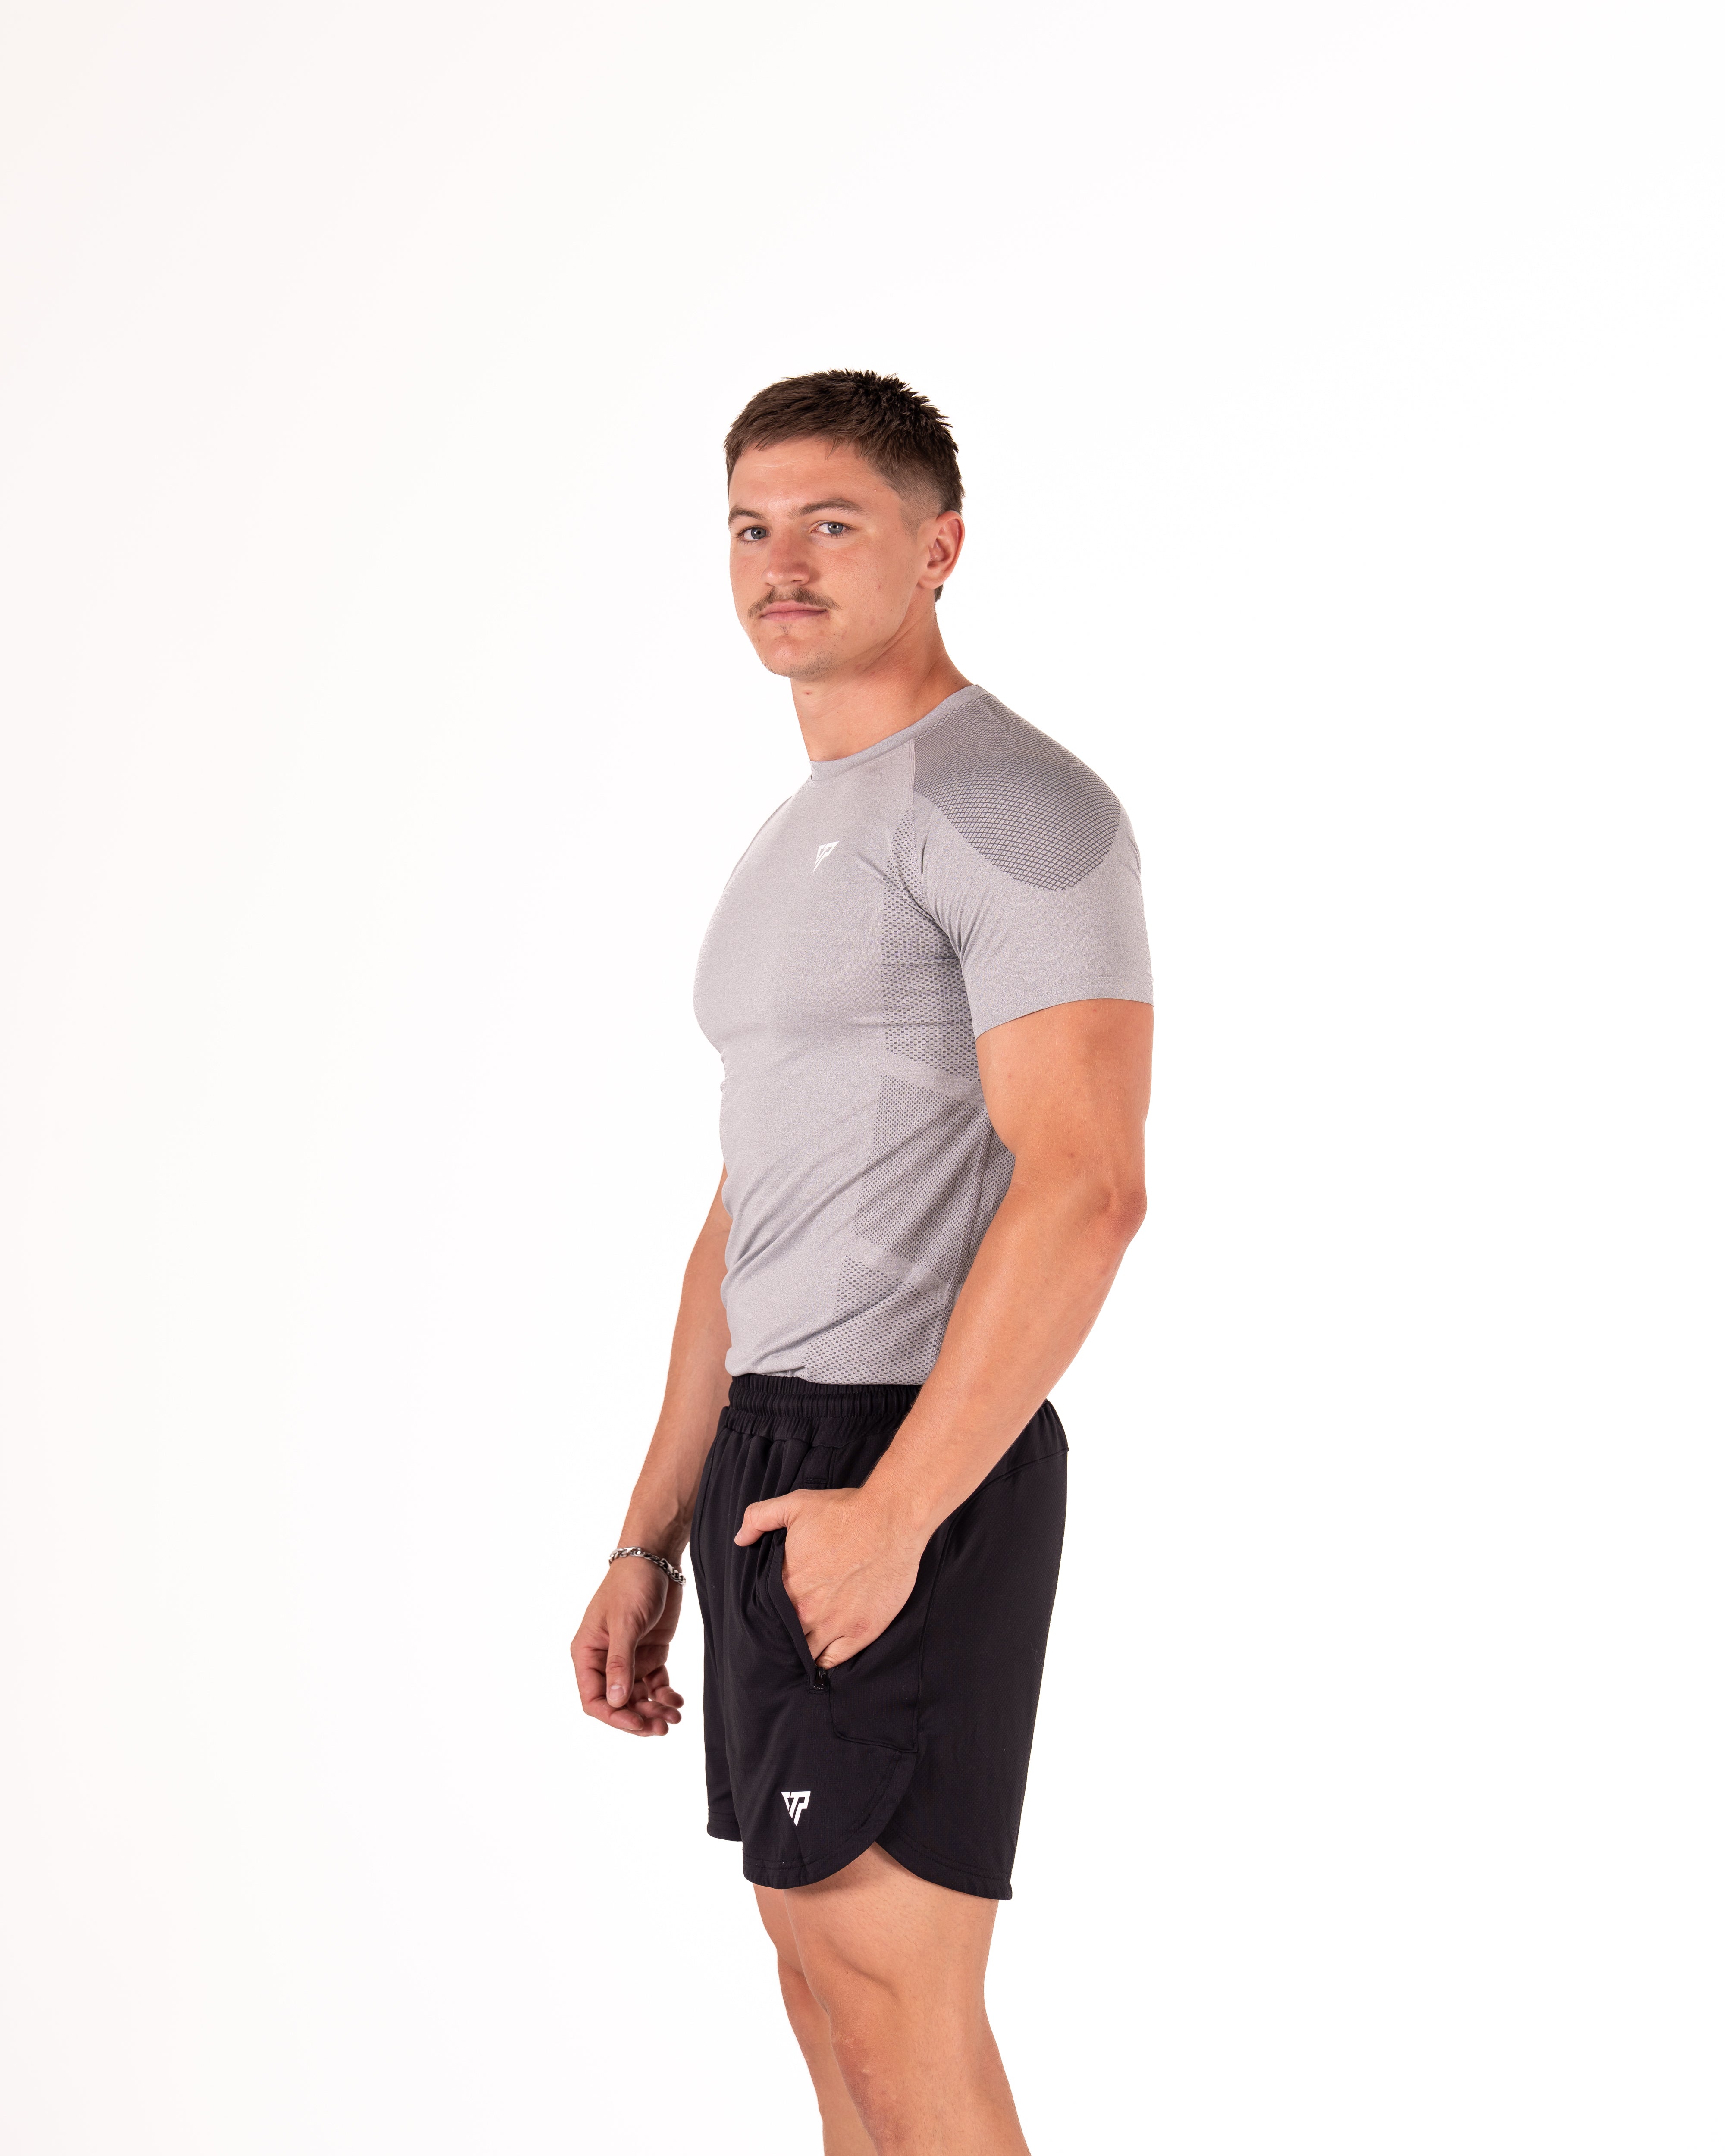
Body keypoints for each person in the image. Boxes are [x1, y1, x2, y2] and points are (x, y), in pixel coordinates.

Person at [571, 370, 1154, 2154]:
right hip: (774, 1446)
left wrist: (897, 1511)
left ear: (940, 545)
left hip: (909, 1449)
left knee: (898, 2003)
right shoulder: (801, 830)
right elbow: (743, 1213)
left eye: (833, 524)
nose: (784, 564)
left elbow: (1087, 1185)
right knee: (827, 1995)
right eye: (752, 527)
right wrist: (644, 1536)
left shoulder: (1011, 803)